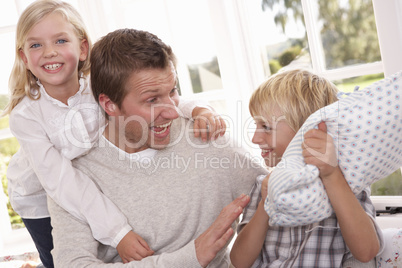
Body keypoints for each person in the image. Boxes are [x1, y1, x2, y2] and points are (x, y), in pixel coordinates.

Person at [3, 1, 226, 267]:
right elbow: (61, 182)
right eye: (36, 45)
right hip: (41, 195)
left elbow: (150, 96)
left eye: (61, 40)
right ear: (24, 57)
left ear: (83, 48)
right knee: (59, 257)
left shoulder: (96, 88)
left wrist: (200, 110)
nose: (50, 52)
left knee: (102, 247)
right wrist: (118, 233)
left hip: (88, 174)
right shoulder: (25, 116)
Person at [46, 27, 268, 267]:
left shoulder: (206, 139)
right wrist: (191, 257)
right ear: (109, 104)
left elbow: (276, 197)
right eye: (152, 100)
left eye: (172, 91)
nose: (172, 112)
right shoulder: (75, 175)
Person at [230, 69, 384, 267]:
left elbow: (366, 252)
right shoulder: (262, 186)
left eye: (266, 127)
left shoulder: (347, 183)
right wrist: (265, 205)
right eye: (256, 125)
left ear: (306, 130)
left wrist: (331, 176)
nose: (254, 138)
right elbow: (238, 261)